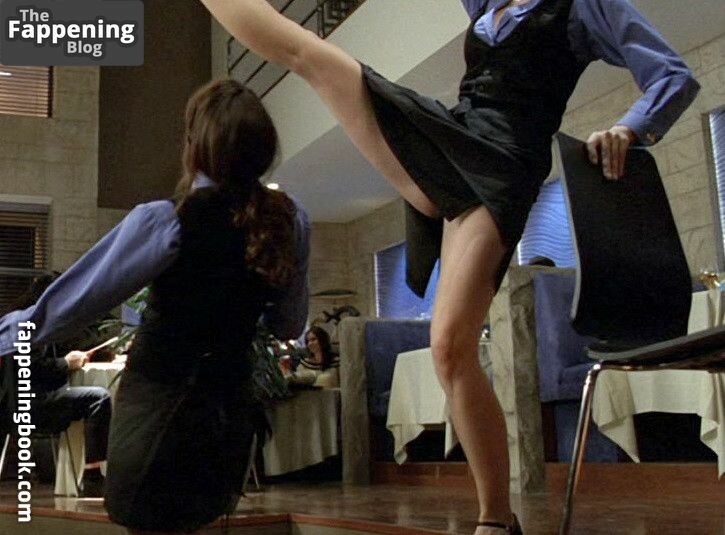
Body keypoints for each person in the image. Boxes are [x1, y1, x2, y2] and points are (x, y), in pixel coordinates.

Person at [197, 0, 699, 533]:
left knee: (449, 349)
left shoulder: (582, 5)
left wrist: (629, 128)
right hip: (455, 139)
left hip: (503, 164)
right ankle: (497, 519)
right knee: (313, 58)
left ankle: (495, 520)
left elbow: (673, 76)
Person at [0, 78, 311, 533]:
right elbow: (288, 323)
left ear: (194, 144)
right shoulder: (292, 221)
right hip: (227, 415)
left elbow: (67, 307)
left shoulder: (166, 221)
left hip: (159, 415)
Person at [2, 274, 112, 497]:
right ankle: (92, 475)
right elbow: (32, 367)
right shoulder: (29, 326)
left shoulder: (13, 321)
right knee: (99, 397)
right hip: (32, 406)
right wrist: (66, 363)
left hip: (8, 408)